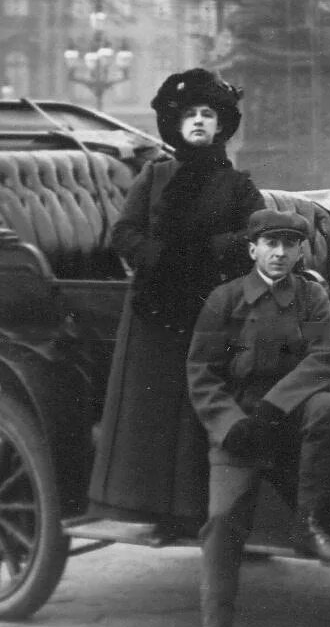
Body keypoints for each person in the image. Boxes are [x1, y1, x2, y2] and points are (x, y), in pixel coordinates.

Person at [88, 69, 264, 530]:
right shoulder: (155, 175)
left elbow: (256, 235)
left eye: (208, 114)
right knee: (159, 411)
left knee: (202, 405)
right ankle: (155, 509)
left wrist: (211, 253)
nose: (200, 122)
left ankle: (208, 512)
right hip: (156, 310)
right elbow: (124, 232)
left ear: (222, 125)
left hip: (212, 306)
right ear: (176, 124)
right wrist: (160, 259)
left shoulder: (237, 185)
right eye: (191, 115)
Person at [186, 208, 330, 627]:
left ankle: (309, 524)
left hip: (288, 417)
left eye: (289, 244)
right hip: (239, 426)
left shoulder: (311, 296)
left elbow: (327, 356)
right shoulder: (225, 300)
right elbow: (201, 373)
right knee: (221, 524)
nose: (280, 253)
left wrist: (276, 407)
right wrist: (230, 423)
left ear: (301, 250)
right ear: (252, 249)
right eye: (270, 244)